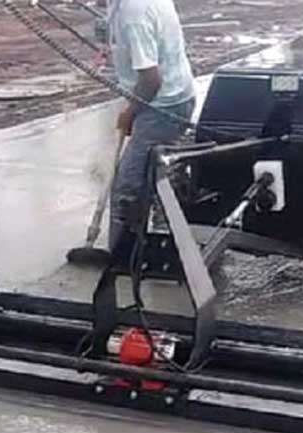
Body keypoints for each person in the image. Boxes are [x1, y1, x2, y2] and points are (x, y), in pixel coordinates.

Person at [106, 0, 196, 255]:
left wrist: (130, 112)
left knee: (127, 187)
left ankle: (124, 257)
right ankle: (162, 232)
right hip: (171, 97)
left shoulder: (134, 13)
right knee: (153, 174)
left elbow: (151, 80)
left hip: (162, 106)